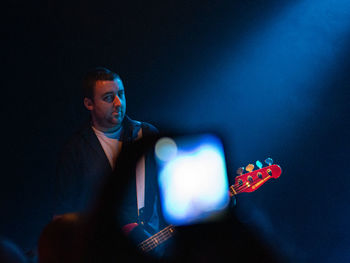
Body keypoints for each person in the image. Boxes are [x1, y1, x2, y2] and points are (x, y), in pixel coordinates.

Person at [53, 67, 164, 246]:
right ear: (89, 104)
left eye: (121, 94)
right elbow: (63, 214)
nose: (118, 103)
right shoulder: (75, 150)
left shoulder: (146, 134)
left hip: (155, 244)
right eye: (108, 98)